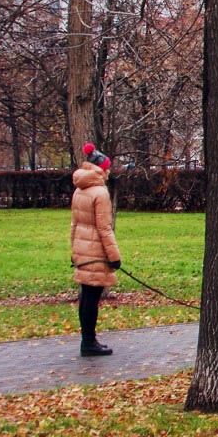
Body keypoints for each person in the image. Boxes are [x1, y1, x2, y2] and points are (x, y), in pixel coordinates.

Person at [70, 143, 120, 357]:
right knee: (92, 297)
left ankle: (87, 339)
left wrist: (74, 250)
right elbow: (104, 228)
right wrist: (114, 256)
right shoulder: (100, 192)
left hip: (82, 248)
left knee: (86, 296)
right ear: (102, 169)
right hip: (96, 251)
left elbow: (74, 223)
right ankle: (89, 342)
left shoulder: (80, 189)